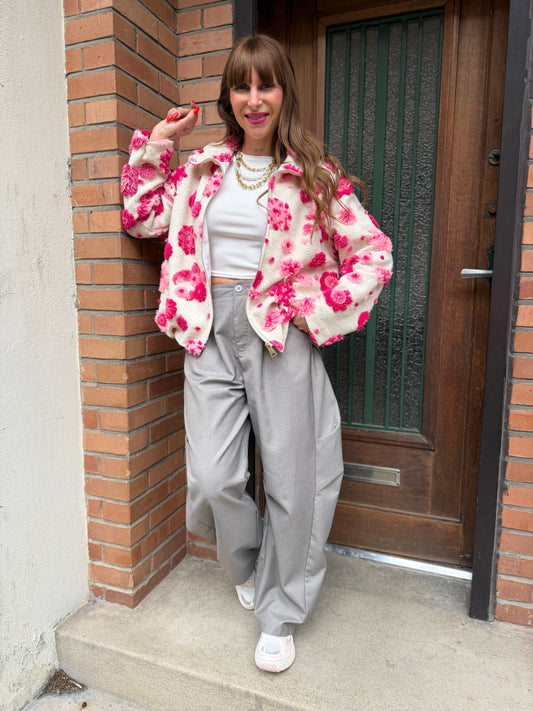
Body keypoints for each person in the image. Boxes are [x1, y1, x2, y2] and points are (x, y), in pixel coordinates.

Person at [121, 34, 393, 673]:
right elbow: (142, 217)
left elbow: (372, 252)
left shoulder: (314, 175)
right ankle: (246, 564)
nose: (254, 99)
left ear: (283, 91)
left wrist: (313, 311)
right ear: (229, 98)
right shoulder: (204, 168)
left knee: (296, 479)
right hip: (209, 326)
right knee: (212, 479)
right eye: (241, 86)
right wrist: (159, 142)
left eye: (265, 84)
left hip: (278, 331)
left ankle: (280, 613)